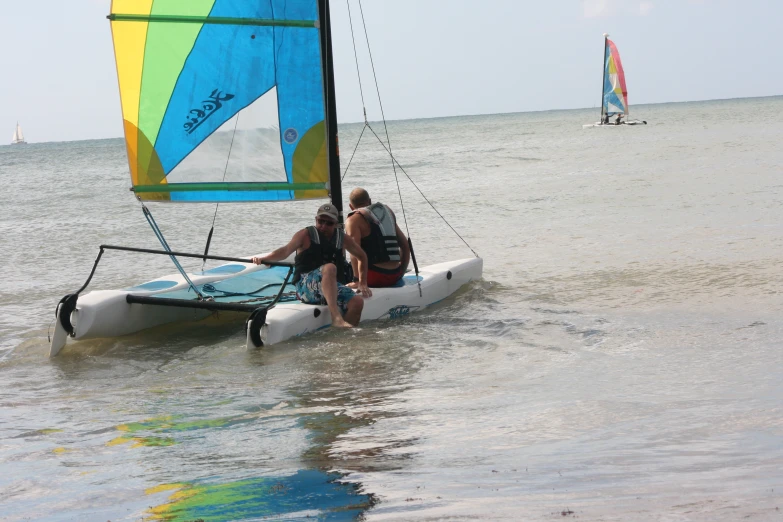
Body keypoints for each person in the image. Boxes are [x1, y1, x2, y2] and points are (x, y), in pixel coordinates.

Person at [252, 203, 371, 328]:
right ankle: (336, 317)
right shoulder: (305, 235)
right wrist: (264, 259)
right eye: (321, 221)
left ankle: (342, 339)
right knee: (330, 267)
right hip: (305, 287)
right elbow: (285, 251)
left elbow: (362, 256)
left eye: (329, 223)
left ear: (336, 224)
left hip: (330, 287)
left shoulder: (342, 238)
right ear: (316, 220)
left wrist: (362, 282)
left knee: (357, 302)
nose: (323, 226)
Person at [345, 187, 411, 288]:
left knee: (346, 269)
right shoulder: (388, 212)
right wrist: (400, 274)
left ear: (351, 206)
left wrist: (357, 281)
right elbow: (405, 246)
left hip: (374, 277)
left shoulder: (353, 220)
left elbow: (354, 254)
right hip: (395, 275)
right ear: (370, 201)